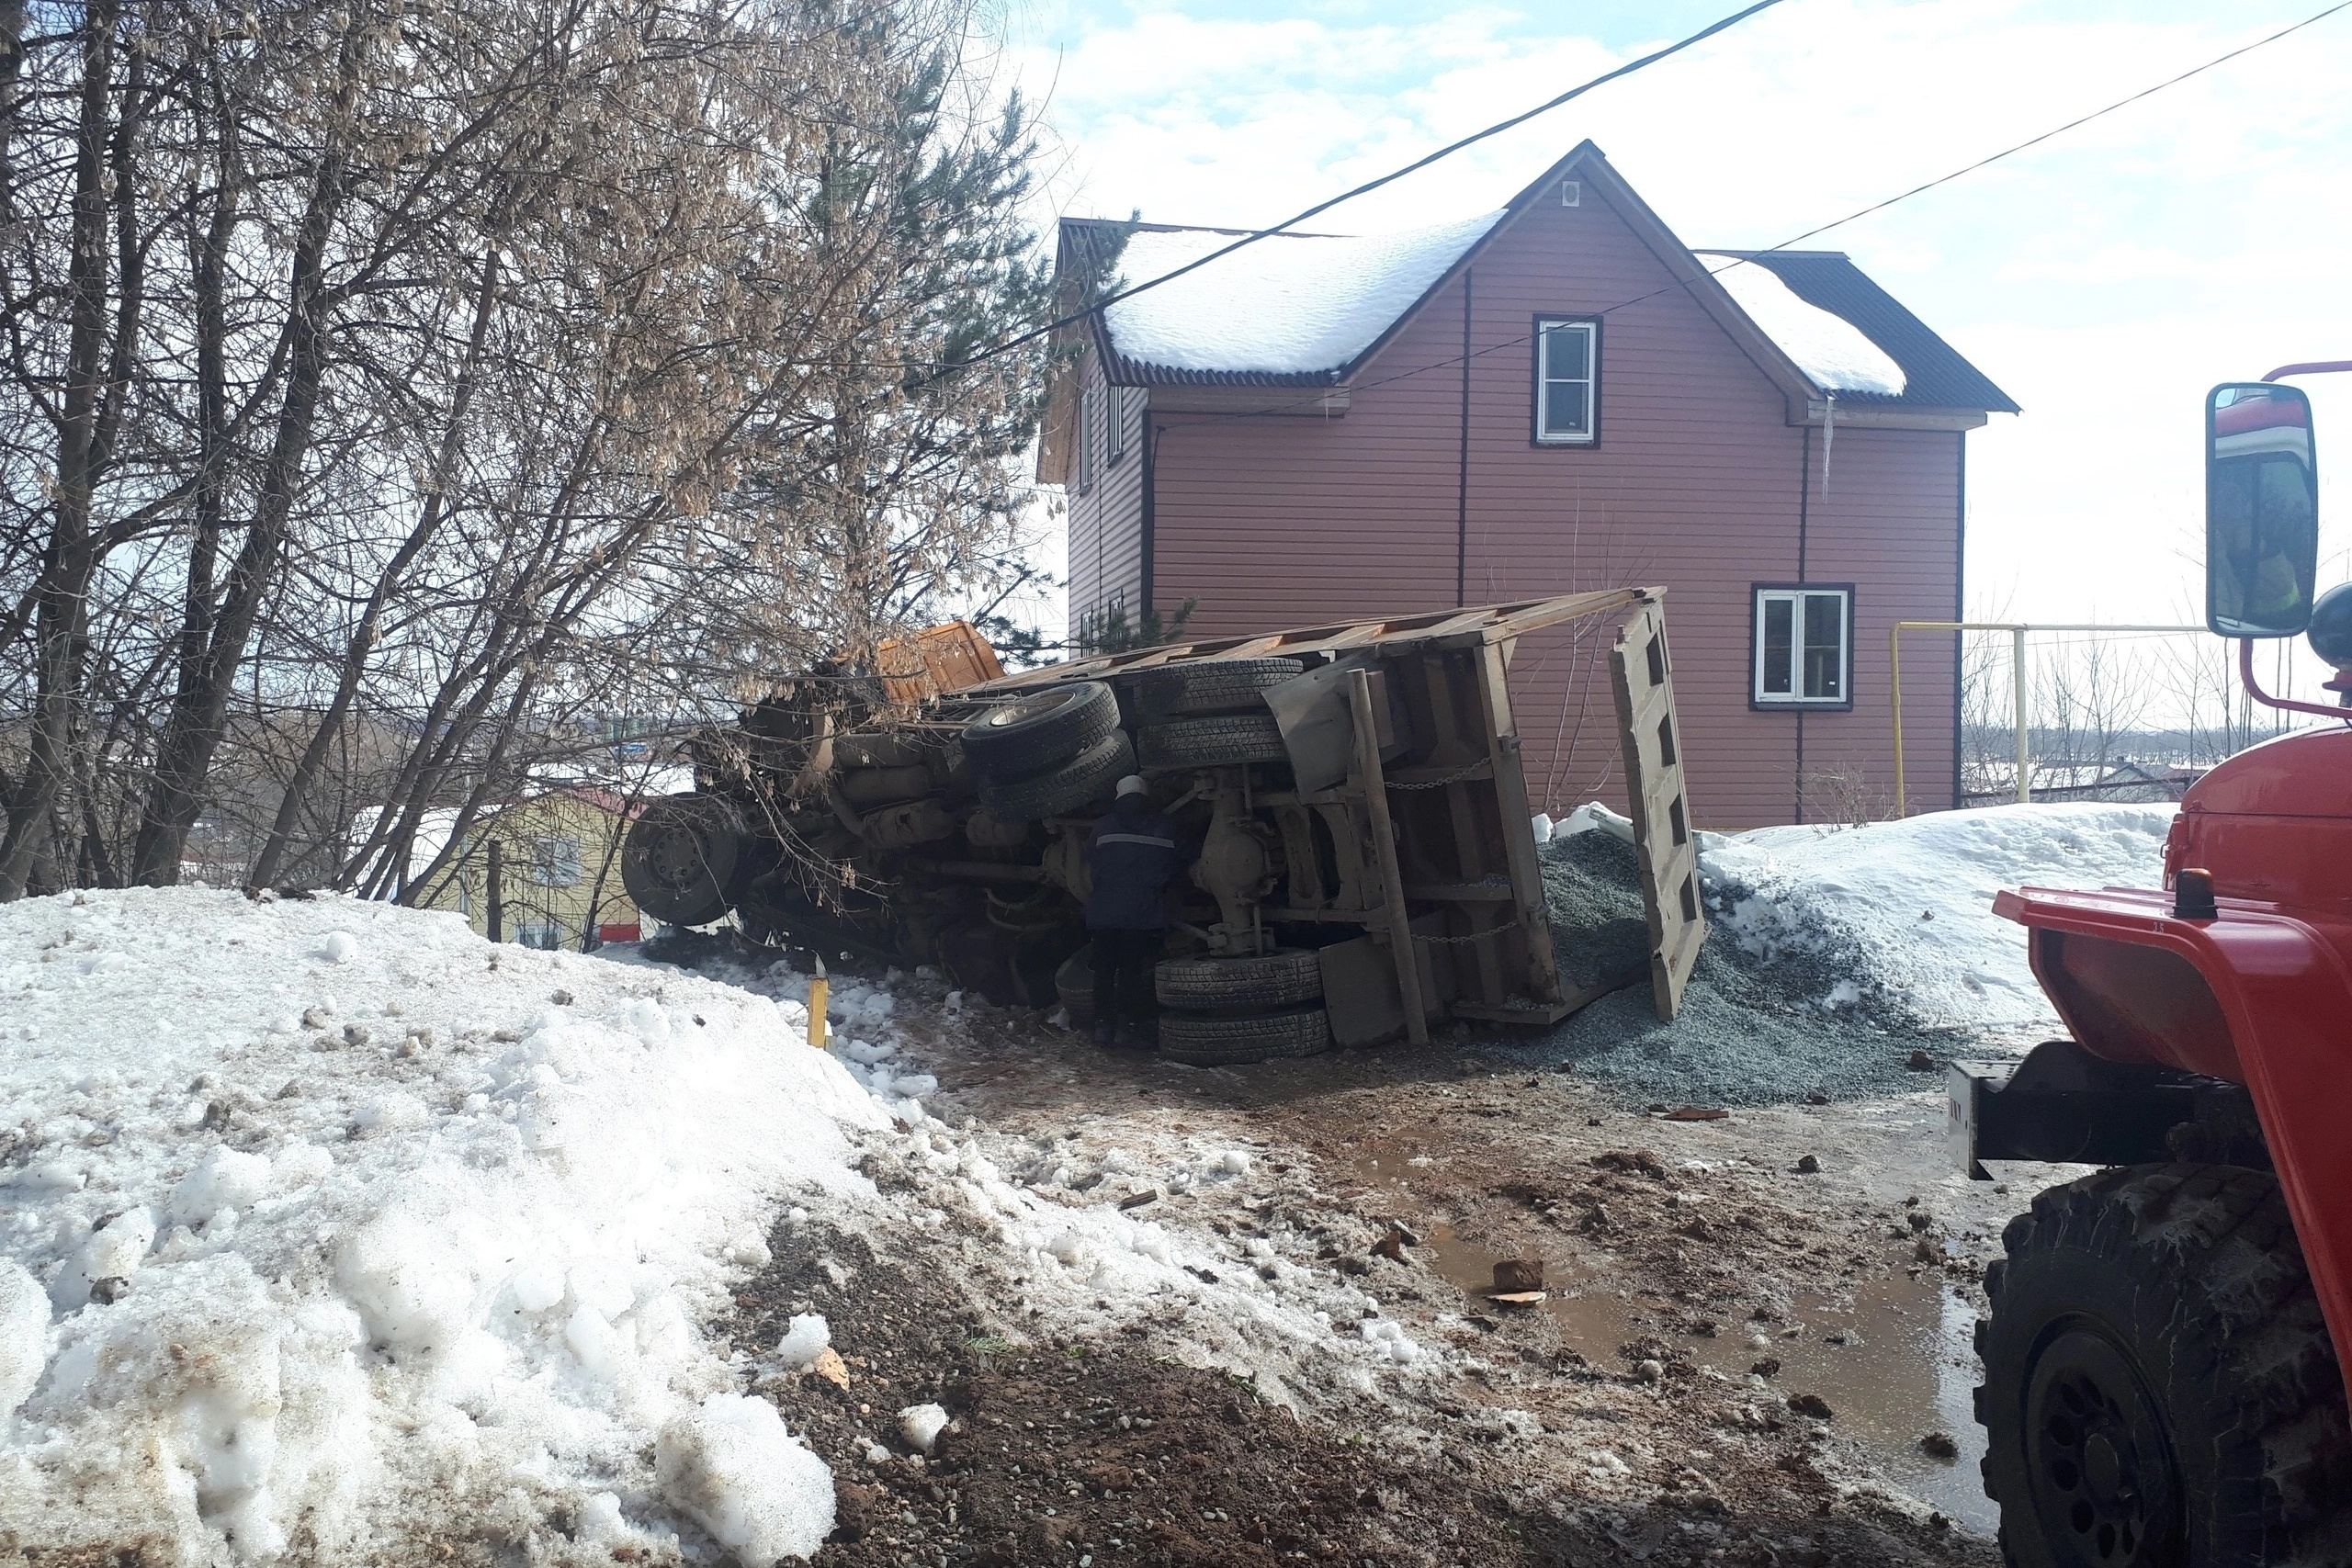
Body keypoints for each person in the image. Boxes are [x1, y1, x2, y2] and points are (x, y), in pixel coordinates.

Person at [1085, 775, 1185, 1048]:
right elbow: (1175, 867)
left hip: (1104, 913)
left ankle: (1102, 1027)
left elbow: (1090, 860)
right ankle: (1126, 1027)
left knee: (1104, 970)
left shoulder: (1103, 826)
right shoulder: (1163, 827)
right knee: (1130, 971)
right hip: (1141, 914)